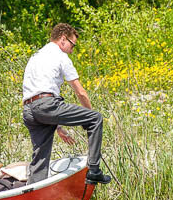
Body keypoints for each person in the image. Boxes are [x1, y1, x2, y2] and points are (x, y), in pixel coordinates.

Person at [22, 22, 111, 185]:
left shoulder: (35, 57)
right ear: (63, 39)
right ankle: (94, 171)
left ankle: (33, 197)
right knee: (96, 118)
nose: (72, 50)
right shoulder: (61, 56)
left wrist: (58, 127)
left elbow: (35, 95)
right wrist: (88, 117)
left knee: (40, 159)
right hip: (47, 105)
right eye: (72, 45)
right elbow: (80, 92)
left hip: (29, 110)